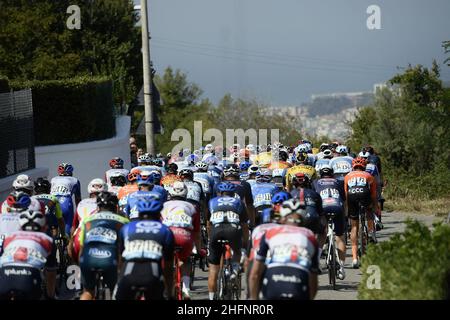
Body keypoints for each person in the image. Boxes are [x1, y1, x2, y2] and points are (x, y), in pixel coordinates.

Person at [248, 199, 319, 300]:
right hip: (298, 285)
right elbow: (313, 280)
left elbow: (255, 274)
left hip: (273, 282)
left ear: (282, 218)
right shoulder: (310, 236)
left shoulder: (270, 232)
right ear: (303, 219)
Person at [115, 198, 175, 300]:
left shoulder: (127, 228)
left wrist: (119, 281)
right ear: (158, 214)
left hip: (129, 272)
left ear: (139, 213)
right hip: (152, 274)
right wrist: (170, 294)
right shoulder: (165, 230)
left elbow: (120, 260)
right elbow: (168, 268)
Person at [77, 192, 129, 300]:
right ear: (115, 207)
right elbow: (126, 249)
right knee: (119, 292)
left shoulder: (87, 220)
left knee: (87, 292)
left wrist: (81, 265)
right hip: (110, 259)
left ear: (98, 206)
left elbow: (81, 248)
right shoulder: (124, 221)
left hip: (88, 258)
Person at [160, 181, 206, 299]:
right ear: (186, 193)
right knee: (186, 260)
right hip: (184, 236)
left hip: (167, 235)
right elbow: (196, 233)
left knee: (165, 262)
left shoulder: (163, 206)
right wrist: (198, 248)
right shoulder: (192, 207)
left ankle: (165, 289)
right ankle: (186, 288)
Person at [207, 182, 249, 300]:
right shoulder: (238, 202)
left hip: (216, 231)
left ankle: (211, 298)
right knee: (237, 250)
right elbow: (245, 226)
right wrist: (244, 245)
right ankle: (235, 269)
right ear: (233, 194)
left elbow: (208, 224)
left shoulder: (212, 202)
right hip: (233, 230)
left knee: (213, 270)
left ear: (219, 193)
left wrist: (211, 239)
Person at [0, 207, 53, 300]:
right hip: (28, 279)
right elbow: (51, 272)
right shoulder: (47, 239)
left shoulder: (10, 237)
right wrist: (50, 296)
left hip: (4, 275)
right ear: (43, 226)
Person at [33, 177, 66, 299]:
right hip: (49, 228)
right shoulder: (53, 198)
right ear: (48, 189)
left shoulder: (31, 199)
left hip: (34, 230)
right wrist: (64, 235)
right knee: (51, 256)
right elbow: (60, 220)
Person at [313, 165, 346, 280]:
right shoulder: (338, 181)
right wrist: (345, 214)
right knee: (340, 236)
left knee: (322, 234)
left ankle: (316, 261)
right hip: (337, 207)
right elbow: (343, 199)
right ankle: (341, 267)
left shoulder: (316, 182)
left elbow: (314, 199)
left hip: (323, 208)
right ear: (332, 174)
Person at [344, 157, 378, 268]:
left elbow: (346, 194)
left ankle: (354, 259)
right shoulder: (369, 176)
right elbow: (373, 195)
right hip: (364, 193)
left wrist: (347, 210)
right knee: (369, 211)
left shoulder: (347, 176)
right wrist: (374, 206)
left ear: (353, 166)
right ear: (364, 167)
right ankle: (371, 231)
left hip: (352, 194)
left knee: (354, 226)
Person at [50, 163, 81, 234]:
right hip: (65, 201)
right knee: (68, 223)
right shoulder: (75, 180)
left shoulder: (53, 179)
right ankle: (67, 241)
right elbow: (78, 199)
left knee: (53, 225)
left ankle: (53, 241)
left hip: (52, 201)